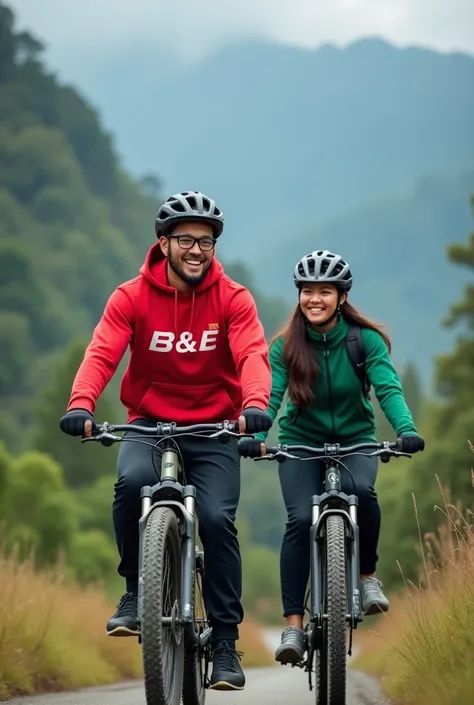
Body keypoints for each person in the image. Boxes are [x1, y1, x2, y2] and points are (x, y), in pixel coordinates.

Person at [58, 190, 273, 691]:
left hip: (216, 427)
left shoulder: (234, 299)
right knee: (131, 483)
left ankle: (224, 644)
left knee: (218, 521)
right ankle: (136, 591)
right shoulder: (131, 296)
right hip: (149, 422)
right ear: (163, 243)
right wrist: (81, 403)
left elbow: (252, 355)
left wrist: (254, 404)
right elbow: (102, 353)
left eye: (206, 241)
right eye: (186, 240)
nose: (197, 250)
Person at [238, 249, 425, 665]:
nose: (315, 299)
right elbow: (270, 398)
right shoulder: (285, 346)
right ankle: (293, 625)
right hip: (300, 442)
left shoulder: (365, 341)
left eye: (325, 291)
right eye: (308, 291)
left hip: (356, 439)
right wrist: (258, 432)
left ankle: (367, 577)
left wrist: (405, 429)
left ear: (342, 297)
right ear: (299, 295)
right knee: (300, 521)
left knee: (363, 492)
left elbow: (388, 388)